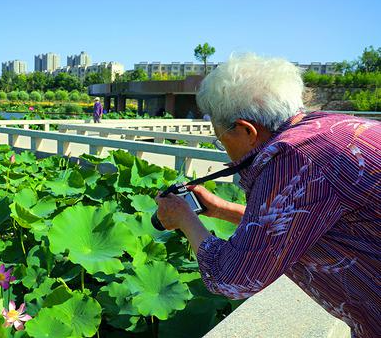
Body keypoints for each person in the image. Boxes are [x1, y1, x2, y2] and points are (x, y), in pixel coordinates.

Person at [155, 53, 380, 338]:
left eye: (221, 138)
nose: (224, 151)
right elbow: (298, 225)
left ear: (246, 130)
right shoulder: (329, 128)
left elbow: (232, 278)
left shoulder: (294, 157)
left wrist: (185, 219)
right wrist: (223, 209)